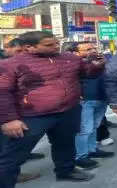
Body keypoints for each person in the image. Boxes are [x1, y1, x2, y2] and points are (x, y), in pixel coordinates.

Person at [0, 31, 104, 187]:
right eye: (49, 45)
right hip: (32, 116)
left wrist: (97, 67)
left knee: (66, 144)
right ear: (29, 47)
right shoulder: (11, 64)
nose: (56, 46)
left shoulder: (70, 58)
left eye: (56, 42)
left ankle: (65, 171)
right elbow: (3, 92)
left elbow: (87, 73)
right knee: (13, 155)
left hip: (68, 111)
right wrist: (9, 120)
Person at [0, 38, 44, 185]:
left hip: (15, 109)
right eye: (18, 51)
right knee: (6, 146)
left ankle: (14, 171)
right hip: (5, 112)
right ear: (7, 48)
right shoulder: (4, 64)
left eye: (24, 51)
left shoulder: (20, 64)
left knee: (11, 144)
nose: (21, 55)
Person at [69, 42, 114, 170]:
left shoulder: (102, 62)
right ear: (77, 53)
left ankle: (92, 149)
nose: (92, 51)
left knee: (94, 126)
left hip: (101, 99)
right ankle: (80, 156)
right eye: (88, 49)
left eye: (93, 48)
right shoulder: (74, 64)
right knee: (84, 129)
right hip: (85, 101)